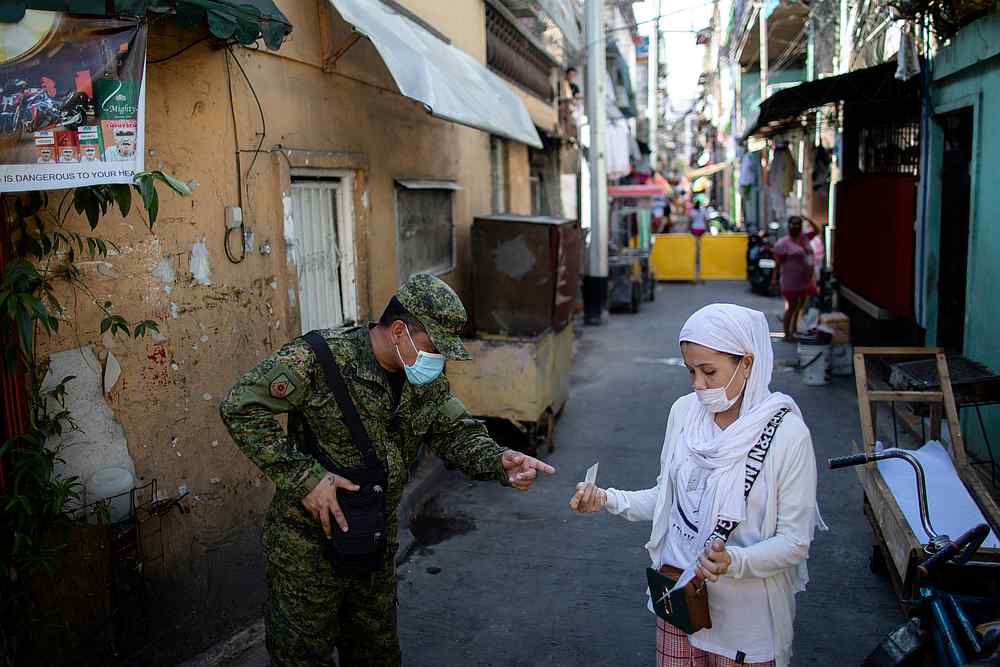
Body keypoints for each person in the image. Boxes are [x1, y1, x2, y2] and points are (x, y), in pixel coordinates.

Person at [220, 273, 556, 666]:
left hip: (374, 544)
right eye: (434, 348)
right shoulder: (317, 358)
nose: (438, 360)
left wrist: (501, 461)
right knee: (302, 657)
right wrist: (305, 478)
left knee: (376, 653)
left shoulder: (421, 380)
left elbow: (455, 432)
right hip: (307, 551)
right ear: (399, 330)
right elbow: (241, 407)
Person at [569, 304, 823, 667]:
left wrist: (734, 561)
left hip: (746, 629)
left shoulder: (787, 434)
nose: (697, 385)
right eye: (691, 371)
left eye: (709, 371)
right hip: (679, 604)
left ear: (747, 363)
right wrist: (608, 499)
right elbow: (668, 498)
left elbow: (795, 541)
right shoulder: (684, 413)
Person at [771, 216, 815, 341]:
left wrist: (807, 219)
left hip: (805, 279)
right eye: (793, 224)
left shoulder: (804, 238)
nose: (795, 226)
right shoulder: (783, 243)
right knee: (792, 306)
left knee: (799, 306)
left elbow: (818, 231)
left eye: (798, 224)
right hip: (790, 279)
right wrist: (774, 279)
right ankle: (787, 333)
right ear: (788, 225)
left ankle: (794, 329)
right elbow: (778, 263)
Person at [690, 200, 707, 283]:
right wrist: (706, 228)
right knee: (701, 243)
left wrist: (688, 228)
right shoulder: (703, 211)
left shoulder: (692, 211)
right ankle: (700, 255)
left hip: (695, 228)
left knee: (696, 243)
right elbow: (705, 220)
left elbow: (690, 220)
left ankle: (697, 256)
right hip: (702, 228)